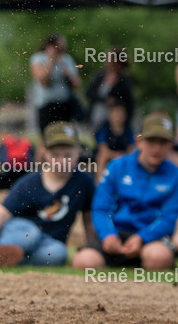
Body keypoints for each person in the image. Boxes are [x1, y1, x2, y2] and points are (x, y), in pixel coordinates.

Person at [0, 122, 95, 267]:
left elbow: (88, 217)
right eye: (56, 155)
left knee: (59, 253)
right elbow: (0, 213)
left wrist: (92, 247)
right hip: (21, 230)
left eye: (68, 155)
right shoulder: (30, 182)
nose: (62, 161)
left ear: (78, 152)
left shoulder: (84, 182)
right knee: (30, 235)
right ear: (45, 153)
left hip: (49, 241)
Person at [72, 113, 178, 271]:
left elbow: (169, 217)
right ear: (139, 141)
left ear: (171, 145)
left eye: (163, 142)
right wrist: (108, 234)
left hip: (151, 238)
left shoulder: (174, 175)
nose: (157, 148)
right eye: (151, 141)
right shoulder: (116, 167)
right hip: (116, 233)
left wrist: (142, 238)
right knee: (84, 261)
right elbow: (101, 208)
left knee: (159, 258)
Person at [30, 33, 82, 134]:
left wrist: (68, 75)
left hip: (64, 104)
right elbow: (44, 82)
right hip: (46, 105)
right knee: (47, 136)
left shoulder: (66, 59)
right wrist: (51, 61)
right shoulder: (38, 59)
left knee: (65, 135)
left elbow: (77, 84)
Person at [84, 47, 134, 131]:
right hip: (95, 116)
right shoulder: (100, 75)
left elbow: (129, 104)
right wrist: (104, 99)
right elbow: (89, 92)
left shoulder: (124, 82)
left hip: (113, 122)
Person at [93, 100, 135, 183]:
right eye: (116, 113)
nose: (118, 116)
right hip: (109, 156)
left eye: (121, 113)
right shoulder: (104, 129)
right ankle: (99, 184)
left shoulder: (128, 130)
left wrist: (122, 156)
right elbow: (103, 149)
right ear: (109, 115)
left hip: (123, 157)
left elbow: (131, 149)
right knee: (101, 157)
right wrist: (116, 156)